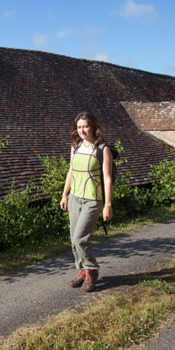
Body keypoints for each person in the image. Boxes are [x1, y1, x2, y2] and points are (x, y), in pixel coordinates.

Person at [60, 112, 114, 292]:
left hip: (93, 199)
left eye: (86, 126)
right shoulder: (75, 147)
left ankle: (91, 269)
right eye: (79, 127)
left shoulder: (102, 149)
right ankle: (82, 270)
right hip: (75, 197)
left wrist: (107, 205)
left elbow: (107, 178)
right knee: (73, 240)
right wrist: (64, 194)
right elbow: (71, 171)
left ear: (93, 127)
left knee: (80, 238)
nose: (82, 130)